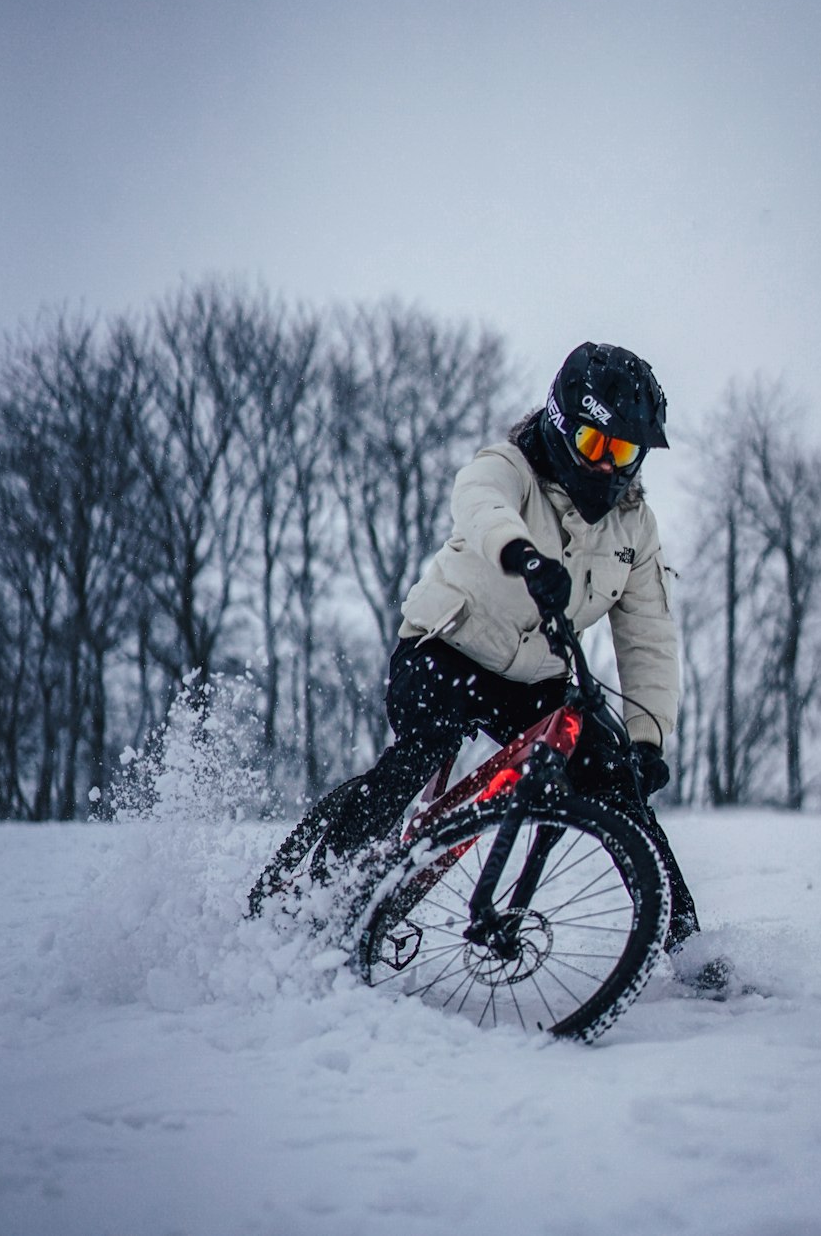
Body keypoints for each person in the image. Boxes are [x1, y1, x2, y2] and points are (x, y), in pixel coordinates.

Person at [252, 341, 704, 960]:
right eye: (596, 445)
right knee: (418, 760)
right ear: (563, 426)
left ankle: (685, 946)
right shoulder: (511, 467)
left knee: (617, 783)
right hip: (446, 649)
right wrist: (523, 556)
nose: (606, 467)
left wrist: (648, 739)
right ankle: (308, 901)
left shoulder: (635, 528)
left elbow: (647, 632)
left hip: (536, 678)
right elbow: (479, 503)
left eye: (622, 452)